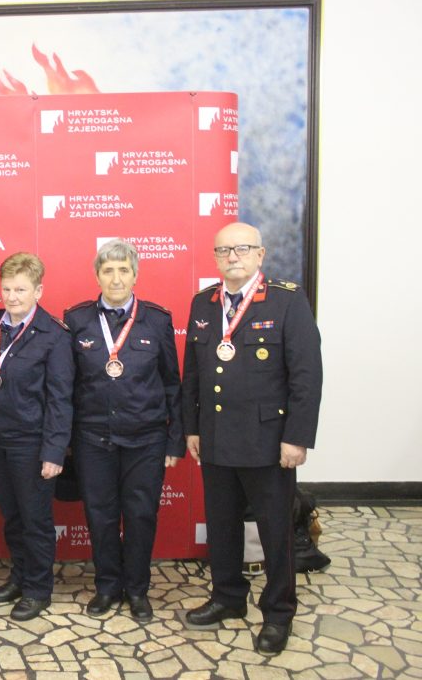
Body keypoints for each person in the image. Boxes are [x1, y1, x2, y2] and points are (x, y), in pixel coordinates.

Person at [181, 222, 322, 655]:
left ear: (260, 254)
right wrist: (192, 427)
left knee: (275, 531)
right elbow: (193, 374)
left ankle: (278, 613)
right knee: (222, 526)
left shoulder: (287, 301)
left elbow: (306, 376)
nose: (232, 257)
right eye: (223, 250)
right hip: (216, 438)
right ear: (215, 257)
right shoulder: (203, 303)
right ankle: (227, 597)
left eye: (242, 249)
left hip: (268, 442)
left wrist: (296, 437)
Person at [64, 239, 183, 622]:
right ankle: (107, 587)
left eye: (123, 270)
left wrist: (175, 439)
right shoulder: (77, 320)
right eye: (108, 270)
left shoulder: (157, 320)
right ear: (97, 275)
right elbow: (66, 385)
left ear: (135, 275)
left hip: (146, 440)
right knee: (100, 516)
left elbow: (172, 383)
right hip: (92, 439)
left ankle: (137, 589)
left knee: (141, 515)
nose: (116, 278)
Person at [0, 252, 73, 621]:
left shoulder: (54, 335)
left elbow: (61, 398)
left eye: (20, 289)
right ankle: (19, 576)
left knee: (35, 520)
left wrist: (54, 451)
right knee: (13, 517)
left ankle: (38, 588)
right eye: (6, 289)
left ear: (38, 291)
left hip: (31, 442)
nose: (12, 296)